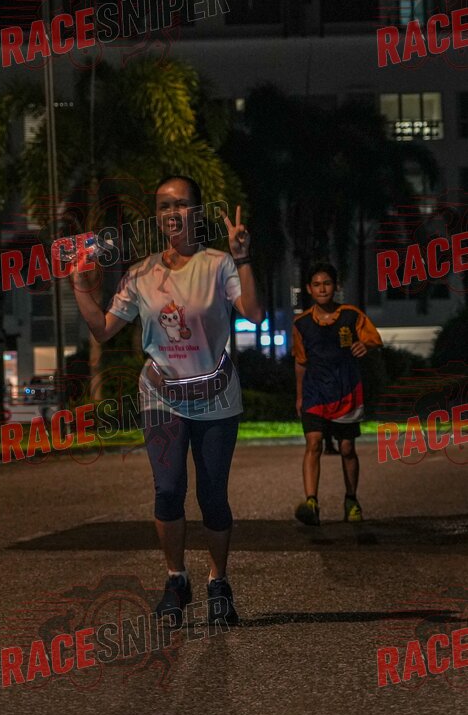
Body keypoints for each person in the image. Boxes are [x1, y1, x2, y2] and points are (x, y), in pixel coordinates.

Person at [71, 175, 264, 624]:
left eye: (180, 204)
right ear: (156, 216)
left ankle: (218, 583)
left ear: (197, 212)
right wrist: (81, 287)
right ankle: (177, 580)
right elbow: (103, 329)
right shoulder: (141, 274)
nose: (171, 212)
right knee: (169, 489)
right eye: (162, 205)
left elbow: (254, 313)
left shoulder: (218, 264)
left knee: (212, 495)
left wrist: (242, 256)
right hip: (162, 397)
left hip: (216, 396)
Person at [292, 262, 382, 526]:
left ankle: (351, 499)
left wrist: (365, 345)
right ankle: (311, 503)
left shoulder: (351, 316)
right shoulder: (301, 323)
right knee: (314, 443)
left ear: (336, 286)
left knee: (347, 448)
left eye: (327, 283)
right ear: (309, 289)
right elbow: (300, 362)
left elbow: (374, 339)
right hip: (315, 392)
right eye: (317, 284)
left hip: (346, 391)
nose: (322, 289)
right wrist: (299, 396)